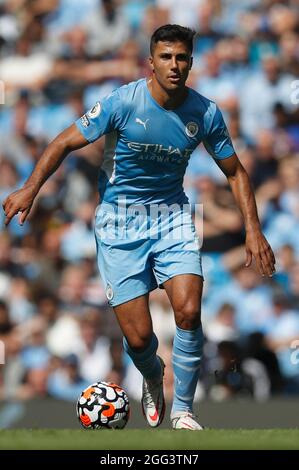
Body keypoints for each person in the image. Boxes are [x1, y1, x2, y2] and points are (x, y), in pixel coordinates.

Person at [2, 24, 276, 430]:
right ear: (151, 62)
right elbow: (62, 142)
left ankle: (183, 408)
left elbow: (235, 172)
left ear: (191, 63)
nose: (174, 65)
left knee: (187, 309)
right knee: (140, 340)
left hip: (173, 218)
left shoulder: (205, 112)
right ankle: (150, 373)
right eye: (166, 57)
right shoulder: (122, 103)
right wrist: (30, 188)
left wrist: (254, 230)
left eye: (182, 57)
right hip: (118, 224)